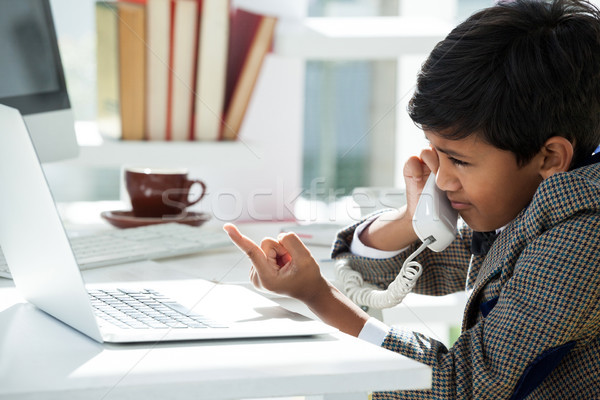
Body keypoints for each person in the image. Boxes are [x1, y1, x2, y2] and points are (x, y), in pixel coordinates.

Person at [223, 0, 600, 398]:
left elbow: (460, 388)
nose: (442, 176)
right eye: (436, 152)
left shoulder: (583, 233)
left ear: (549, 157)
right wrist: (412, 217)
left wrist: (318, 297)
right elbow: (371, 274)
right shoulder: (532, 197)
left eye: (458, 160)